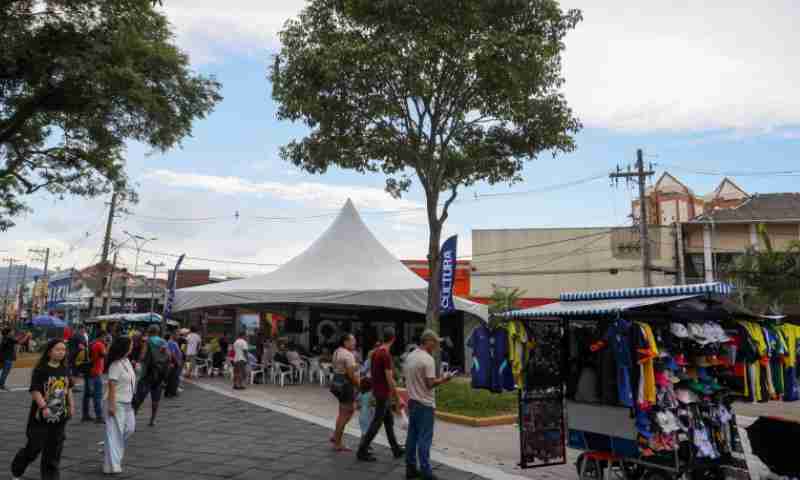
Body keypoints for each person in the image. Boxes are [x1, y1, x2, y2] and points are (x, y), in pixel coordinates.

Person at [11, 339, 74, 480]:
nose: (61, 352)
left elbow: (68, 388)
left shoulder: (65, 369)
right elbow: (35, 391)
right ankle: (17, 468)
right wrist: (44, 407)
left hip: (60, 416)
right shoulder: (41, 369)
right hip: (41, 417)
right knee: (34, 447)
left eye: (63, 350)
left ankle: (50, 477)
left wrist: (71, 406)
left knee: (54, 450)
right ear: (50, 351)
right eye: (58, 349)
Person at [404, 330, 455, 480]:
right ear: (428, 341)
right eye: (435, 342)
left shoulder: (410, 356)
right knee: (424, 439)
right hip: (425, 404)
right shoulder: (427, 359)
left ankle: (410, 468)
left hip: (412, 401)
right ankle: (426, 471)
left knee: (412, 436)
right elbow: (430, 384)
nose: (437, 345)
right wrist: (445, 379)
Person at [357, 327, 405, 462]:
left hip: (379, 392)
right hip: (383, 394)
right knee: (376, 423)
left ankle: (395, 449)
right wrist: (398, 397)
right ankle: (362, 450)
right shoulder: (385, 355)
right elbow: (390, 380)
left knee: (388, 422)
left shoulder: (376, 353)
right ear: (394, 339)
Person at [103, 337, 136, 475]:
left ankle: (108, 447)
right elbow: (111, 386)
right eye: (131, 345)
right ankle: (113, 466)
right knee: (116, 433)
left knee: (130, 429)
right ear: (125, 347)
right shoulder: (115, 365)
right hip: (116, 402)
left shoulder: (127, 361)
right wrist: (111, 405)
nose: (132, 347)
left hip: (128, 402)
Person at [132, 325, 168, 427]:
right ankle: (152, 420)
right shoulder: (163, 342)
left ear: (149, 331)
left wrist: (139, 359)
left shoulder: (147, 341)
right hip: (159, 374)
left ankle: (132, 419)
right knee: (155, 399)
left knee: (139, 398)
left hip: (147, 373)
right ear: (158, 332)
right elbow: (168, 356)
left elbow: (142, 356)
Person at [331, 333, 360, 452]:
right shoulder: (348, 355)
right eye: (353, 341)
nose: (355, 343)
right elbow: (350, 375)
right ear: (345, 342)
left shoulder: (337, 351)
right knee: (344, 414)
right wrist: (359, 385)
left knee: (347, 410)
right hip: (346, 386)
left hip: (337, 384)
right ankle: (337, 442)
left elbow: (341, 367)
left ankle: (336, 436)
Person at [82, 334, 106, 424]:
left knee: (87, 395)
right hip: (96, 372)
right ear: (102, 336)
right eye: (104, 337)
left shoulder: (91, 343)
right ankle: (99, 416)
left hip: (88, 371)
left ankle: (85, 415)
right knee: (97, 395)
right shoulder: (100, 344)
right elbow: (104, 354)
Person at [164, 334, 183, 398]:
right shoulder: (172, 343)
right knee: (173, 377)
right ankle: (171, 392)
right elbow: (172, 353)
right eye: (177, 335)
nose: (178, 336)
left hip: (173, 362)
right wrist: (177, 362)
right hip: (174, 362)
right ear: (173, 336)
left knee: (172, 377)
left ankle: (170, 392)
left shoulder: (172, 342)